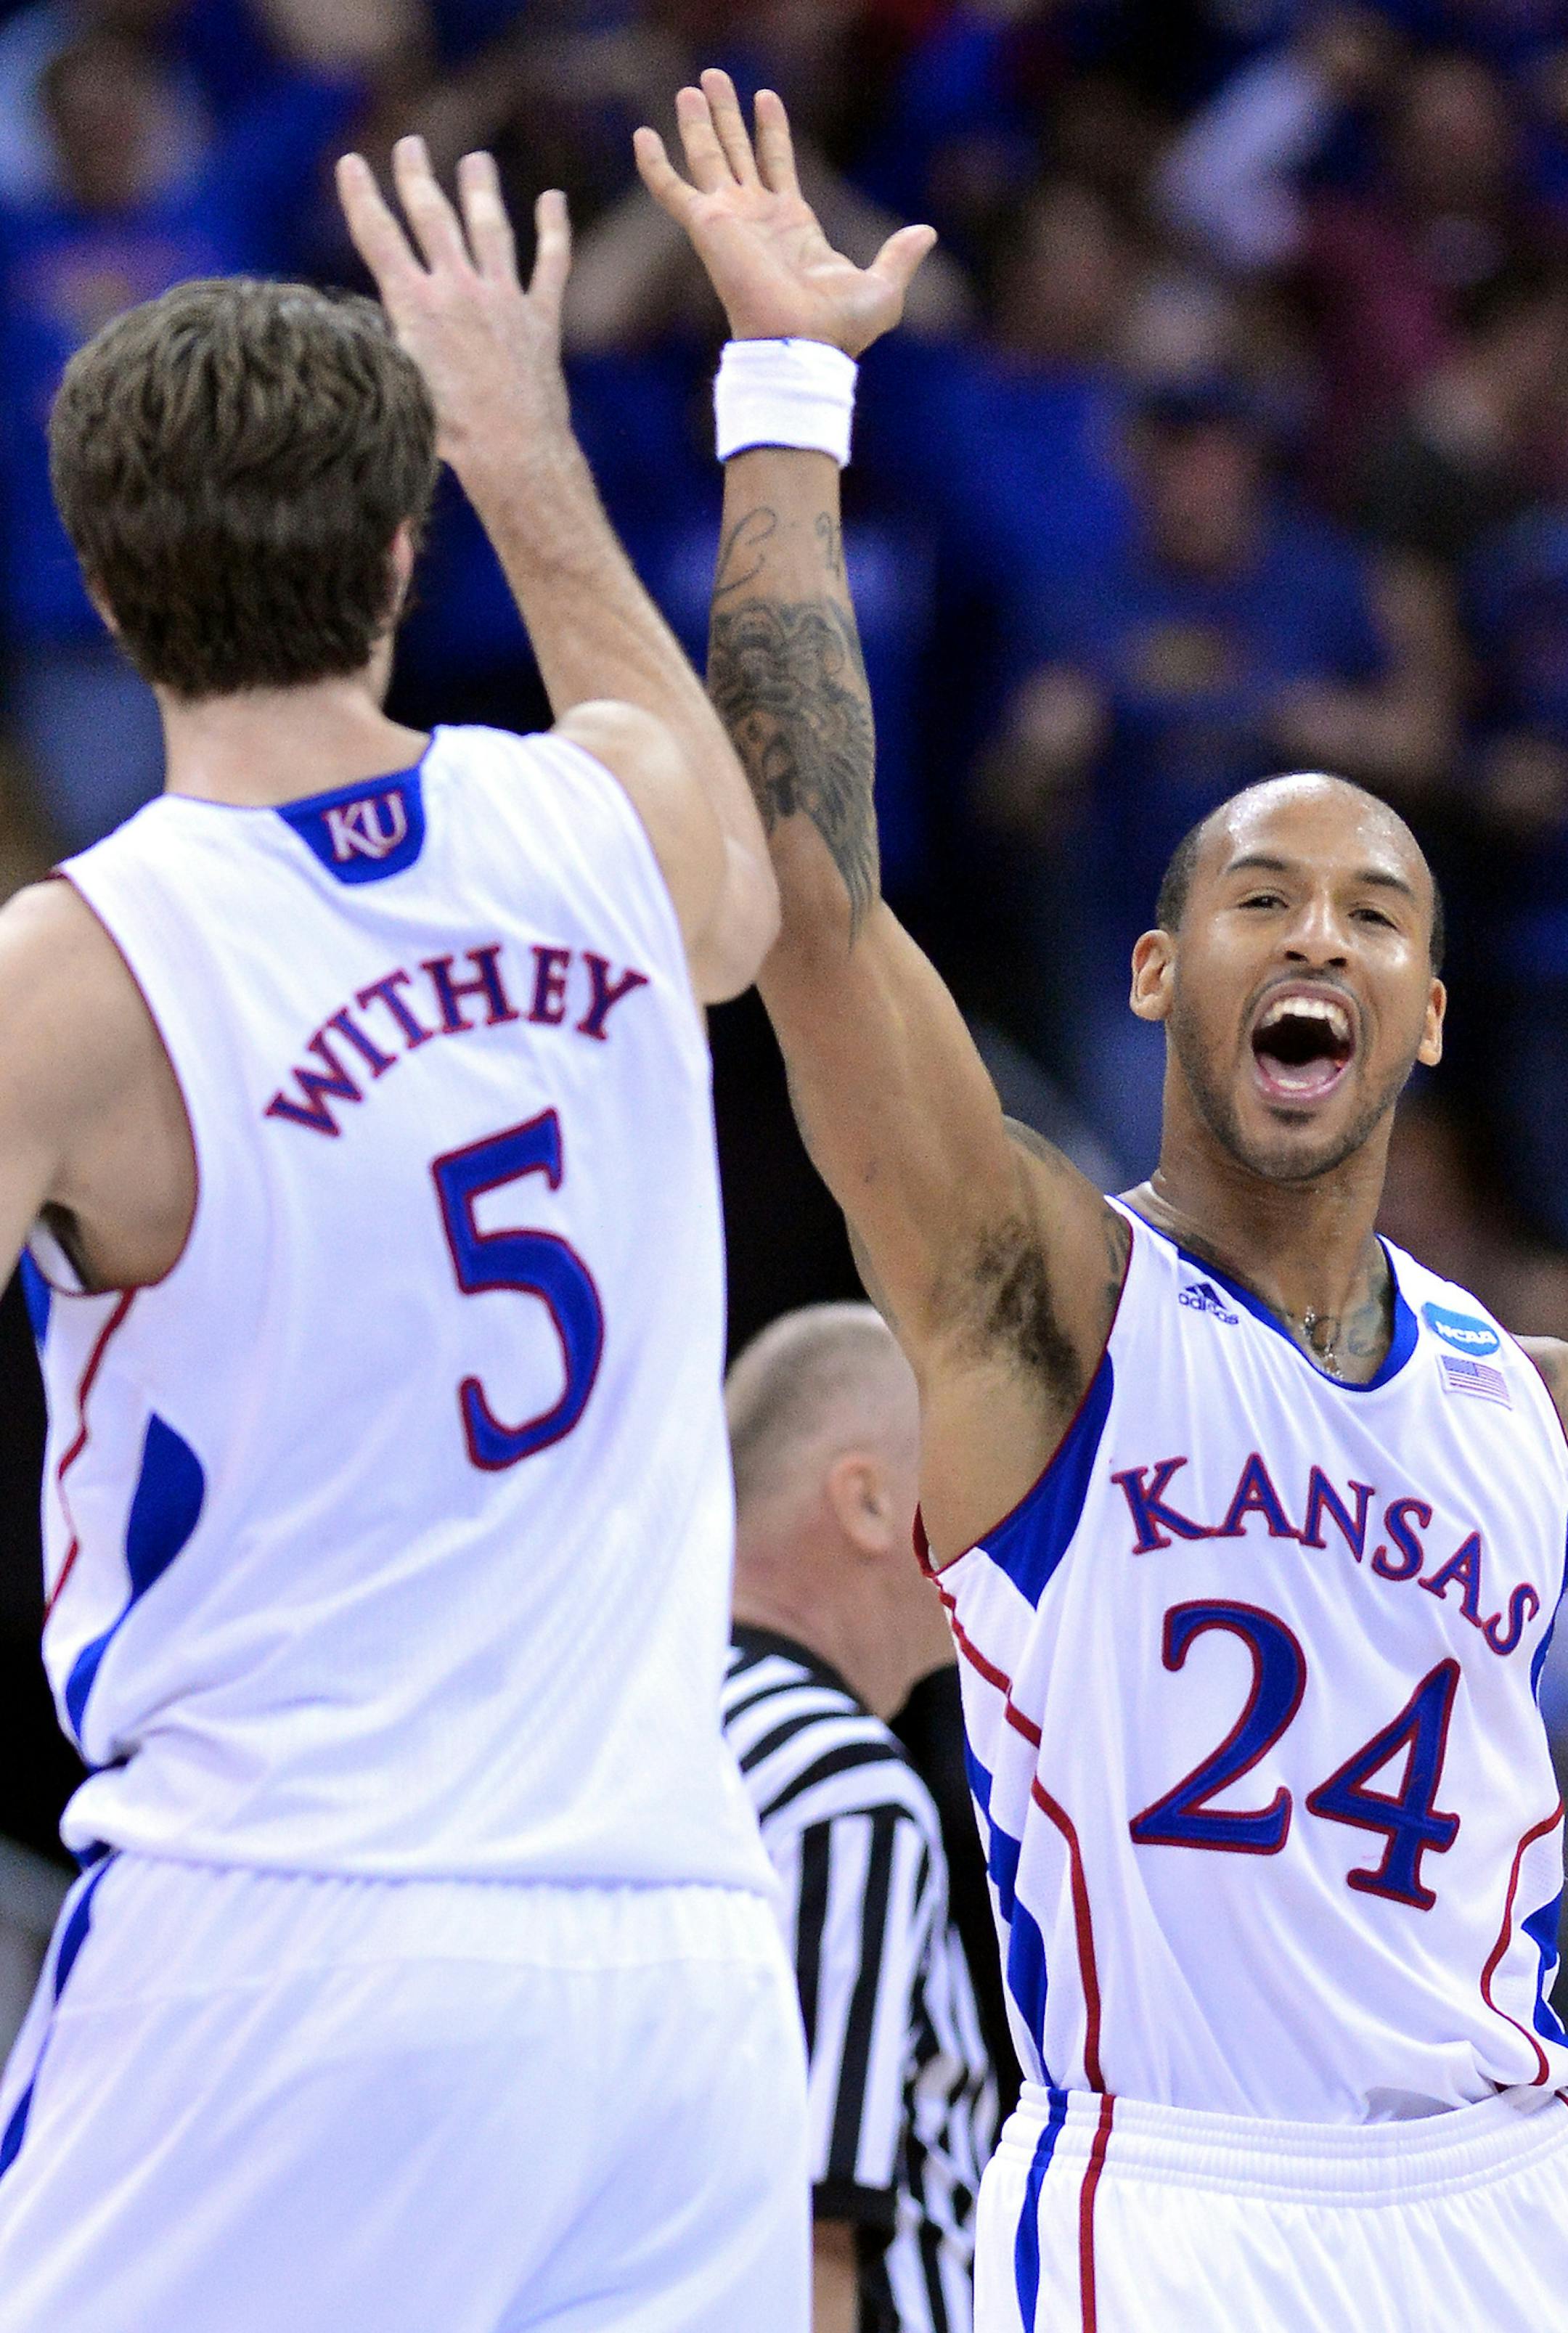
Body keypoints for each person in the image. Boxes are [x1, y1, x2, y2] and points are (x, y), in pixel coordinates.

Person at [637, 70, 1568, 2331]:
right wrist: (786, 394)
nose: (1322, 933)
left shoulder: (1528, 1402)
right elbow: (822, 905)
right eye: (1264, 892)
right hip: (1173, 2200)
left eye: (1375, 906)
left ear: (1431, 1010)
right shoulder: (1042, 1301)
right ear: (1163, 971)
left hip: (1513, 2179)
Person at [0, 136, 808, 2333]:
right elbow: (743, 880)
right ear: (398, 540)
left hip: (286, 1931)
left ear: (94, 574)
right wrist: (527, 444)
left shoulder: (75, 974)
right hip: (671, 1948)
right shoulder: (613, 821)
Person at [722, 1303, 996, 2333]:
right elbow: (810, 2233)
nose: (998, 1503)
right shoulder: (844, 1784)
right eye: (968, 1459)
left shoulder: (631, 1727)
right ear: (872, 1500)